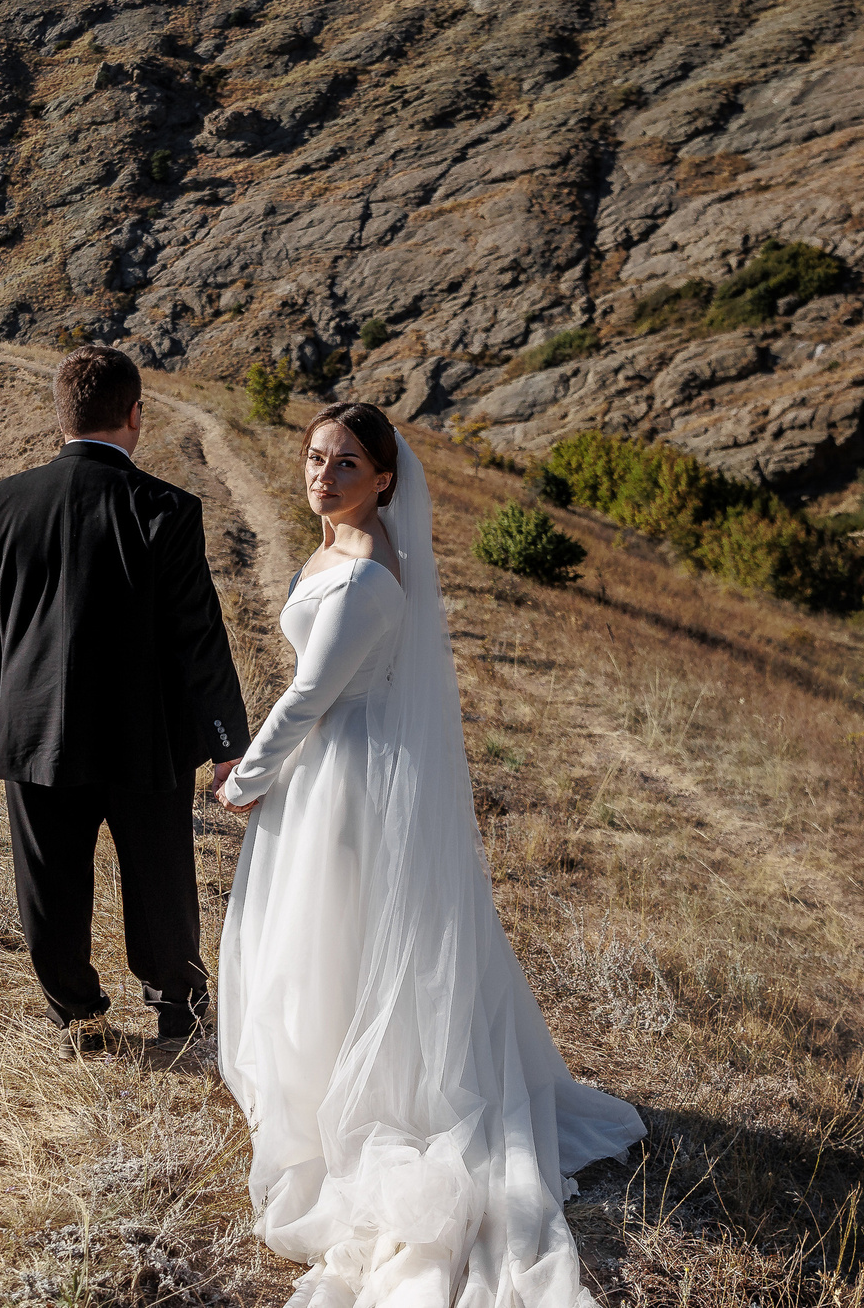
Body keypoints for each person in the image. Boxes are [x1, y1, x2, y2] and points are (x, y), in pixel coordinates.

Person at [215, 403, 646, 1308]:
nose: (323, 475)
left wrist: (244, 780)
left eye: (346, 464)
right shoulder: (335, 548)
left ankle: (353, 1090)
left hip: (344, 767)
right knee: (328, 926)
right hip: (329, 762)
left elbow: (308, 696)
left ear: (384, 479)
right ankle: (320, 1066)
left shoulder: (367, 575)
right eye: (315, 457)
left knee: (334, 924)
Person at [0, 345, 250, 1042]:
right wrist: (227, 743)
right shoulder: (168, 508)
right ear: (136, 415)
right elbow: (198, 637)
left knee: (49, 885)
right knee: (160, 881)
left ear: (60, 417)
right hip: (144, 735)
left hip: (34, 733)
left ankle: (76, 1016)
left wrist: (10, 711)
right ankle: (178, 1014)